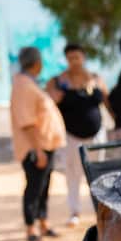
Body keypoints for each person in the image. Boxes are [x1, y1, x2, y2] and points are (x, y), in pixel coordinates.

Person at [10, 46, 67, 241]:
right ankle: (30, 227)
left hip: (45, 145)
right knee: (34, 187)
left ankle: (43, 222)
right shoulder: (24, 86)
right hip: (35, 148)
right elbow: (27, 122)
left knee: (43, 186)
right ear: (37, 63)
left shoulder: (29, 83)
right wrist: (38, 150)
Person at [47, 43, 107, 228]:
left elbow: (106, 98)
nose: (74, 61)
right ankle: (75, 211)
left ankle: (100, 211)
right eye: (70, 58)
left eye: (77, 57)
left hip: (96, 135)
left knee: (97, 173)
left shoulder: (95, 78)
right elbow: (48, 102)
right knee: (72, 173)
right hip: (71, 136)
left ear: (84, 57)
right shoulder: (58, 81)